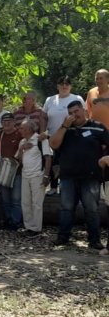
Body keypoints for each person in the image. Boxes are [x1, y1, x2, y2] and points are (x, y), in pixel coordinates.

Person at [49, 100, 109, 248]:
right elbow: (53, 144)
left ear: (83, 110)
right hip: (68, 176)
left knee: (92, 209)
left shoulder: (98, 127)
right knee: (66, 208)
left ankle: (94, 240)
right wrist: (64, 126)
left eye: (76, 111)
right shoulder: (66, 129)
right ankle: (63, 238)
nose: (74, 115)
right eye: (70, 113)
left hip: (91, 176)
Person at [42, 75, 85, 195]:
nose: (64, 86)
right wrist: (43, 131)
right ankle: (54, 187)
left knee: (68, 161)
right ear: (57, 86)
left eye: (67, 84)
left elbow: (83, 116)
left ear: (70, 86)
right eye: (61, 84)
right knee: (53, 161)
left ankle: (67, 186)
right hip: (52, 136)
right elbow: (44, 116)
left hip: (71, 135)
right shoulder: (50, 99)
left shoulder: (77, 98)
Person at [15, 119, 52, 237]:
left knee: (36, 203)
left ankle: (36, 228)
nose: (20, 130)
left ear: (30, 129)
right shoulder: (22, 142)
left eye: (22, 128)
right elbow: (19, 160)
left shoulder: (41, 139)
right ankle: (29, 227)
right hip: (25, 175)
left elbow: (48, 158)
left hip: (38, 175)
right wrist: (22, 149)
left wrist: (46, 175)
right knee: (25, 202)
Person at [0, 113, 23, 230]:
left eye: (9, 120)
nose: (7, 123)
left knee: (16, 199)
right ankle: (7, 220)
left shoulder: (20, 134)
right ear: (1, 123)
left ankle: (16, 221)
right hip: (3, 171)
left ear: (14, 122)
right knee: (5, 198)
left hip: (17, 171)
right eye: (4, 121)